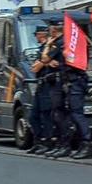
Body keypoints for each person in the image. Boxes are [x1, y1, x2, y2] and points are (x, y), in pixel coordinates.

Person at [58, 22, 92, 161]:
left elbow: (78, 64)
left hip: (77, 82)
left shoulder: (80, 47)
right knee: (73, 114)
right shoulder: (75, 46)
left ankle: (86, 144)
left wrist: (68, 56)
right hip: (72, 82)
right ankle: (81, 145)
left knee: (78, 114)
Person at [31, 23, 63, 158]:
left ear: (41, 35)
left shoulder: (51, 47)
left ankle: (48, 142)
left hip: (48, 85)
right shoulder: (43, 48)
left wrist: (43, 62)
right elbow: (34, 68)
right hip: (41, 85)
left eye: (37, 34)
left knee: (47, 116)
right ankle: (39, 142)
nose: (36, 37)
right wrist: (44, 63)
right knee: (34, 116)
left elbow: (39, 66)